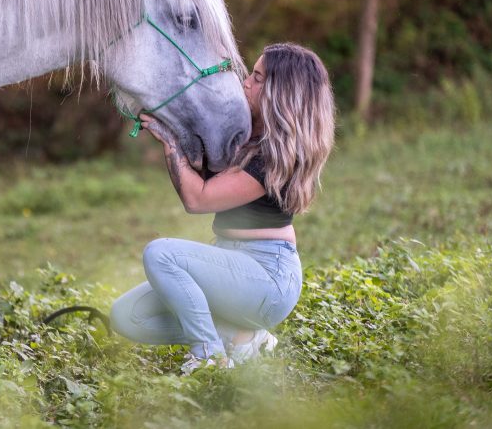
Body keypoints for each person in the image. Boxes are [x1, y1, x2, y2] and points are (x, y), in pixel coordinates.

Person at [110, 43, 336, 373]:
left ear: (281, 93)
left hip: (266, 277)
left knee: (161, 254)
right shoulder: (247, 135)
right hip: (232, 267)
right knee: (127, 316)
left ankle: (209, 357)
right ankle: (240, 333)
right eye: (251, 74)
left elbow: (198, 198)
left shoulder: (274, 159)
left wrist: (169, 142)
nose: (246, 82)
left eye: (258, 78)